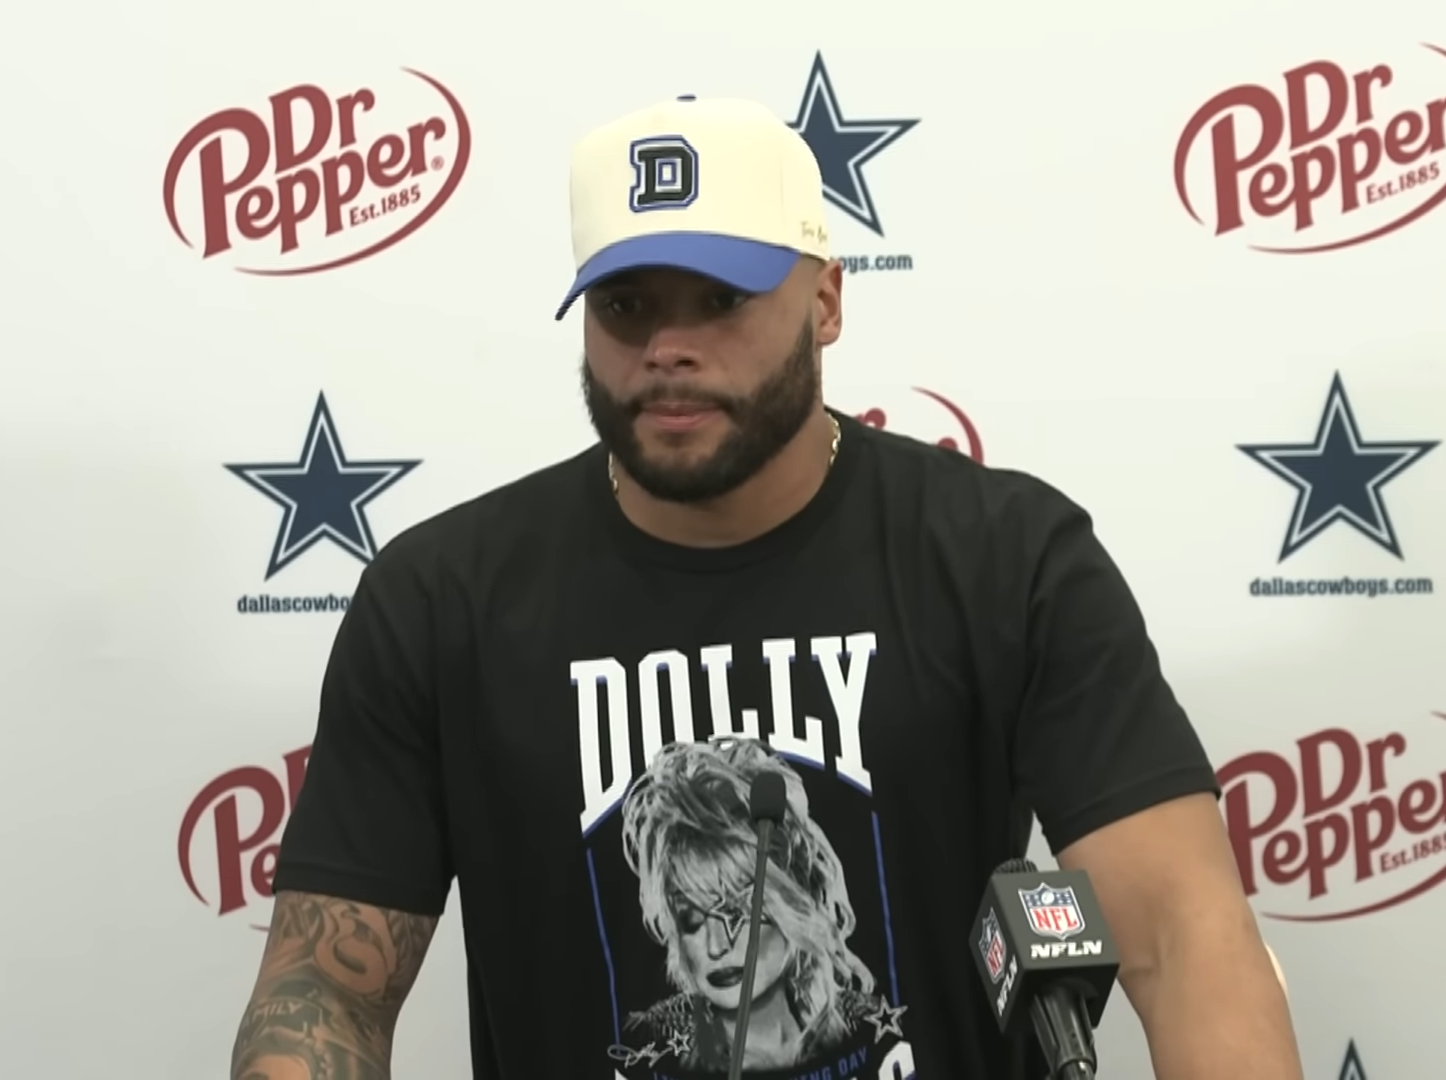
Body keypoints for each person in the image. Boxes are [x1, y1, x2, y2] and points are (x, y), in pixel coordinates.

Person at [227, 95, 1302, 1080]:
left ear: (826, 300)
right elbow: (325, 992)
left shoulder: (1005, 559)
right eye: (627, 303)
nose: (668, 347)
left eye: (721, 298)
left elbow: (1184, 938)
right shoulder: (440, 602)